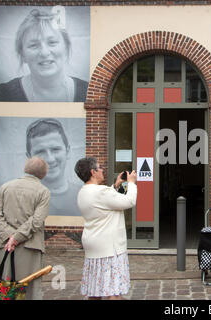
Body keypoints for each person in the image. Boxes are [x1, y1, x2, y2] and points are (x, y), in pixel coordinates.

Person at [0, 8, 88, 102]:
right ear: (22, 54)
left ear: (66, 48)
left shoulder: (88, 92)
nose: (44, 52)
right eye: (33, 45)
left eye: (52, 42)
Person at [75, 157, 137, 300]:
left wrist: (115, 186)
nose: (103, 170)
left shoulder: (83, 192)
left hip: (93, 245)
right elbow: (129, 201)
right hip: (110, 247)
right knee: (113, 291)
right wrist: (132, 183)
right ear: (93, 172)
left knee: (95, 289)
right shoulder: (102, 192)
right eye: (100, 167)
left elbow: (103, 202)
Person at [0, 157, 50, 300]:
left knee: (0, 290)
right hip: (29, 246)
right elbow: (36, 221)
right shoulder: (43, 191)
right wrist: (16, 238)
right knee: (28, 290)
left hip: (2, 244)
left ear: (25, 169)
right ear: (44, 174)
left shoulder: (5, 187)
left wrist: (9, 236)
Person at [26, 118, 82, 216]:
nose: (50, 159)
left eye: (55, 149)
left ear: (67, 151)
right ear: (29, 157)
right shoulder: (20, 197)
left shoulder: (83, 195)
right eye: (40, 152)